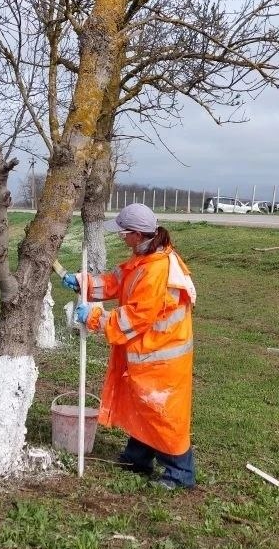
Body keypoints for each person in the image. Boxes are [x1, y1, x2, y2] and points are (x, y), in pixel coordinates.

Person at [64, 203, 198, 489]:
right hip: (148, 352)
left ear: (137, 234)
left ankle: (180, 473)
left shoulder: (157, 270)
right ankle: (137, 458)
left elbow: (137, 315)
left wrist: (95, 317)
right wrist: (82, 283)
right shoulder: (143, 260)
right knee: (143, 406)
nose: (121, 238)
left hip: (162, 357)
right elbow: (116, 282)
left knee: (161, 411)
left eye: (124, 234)